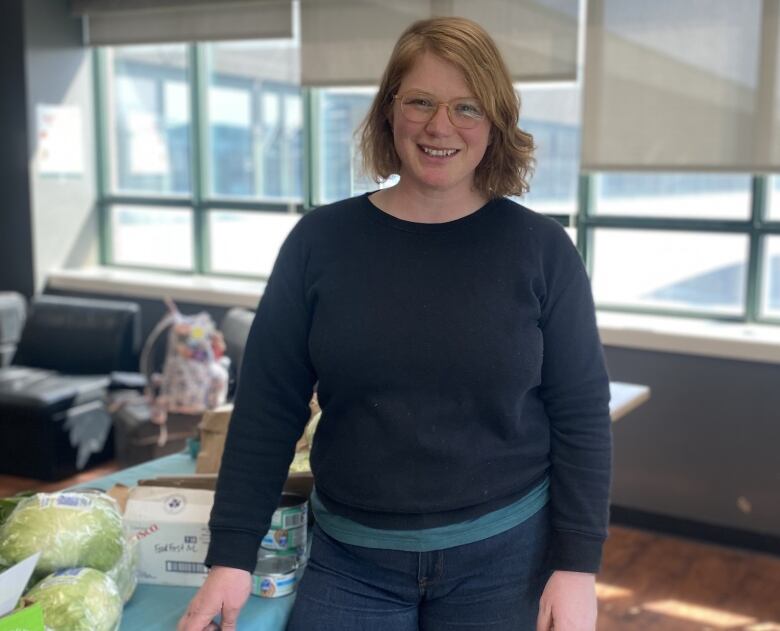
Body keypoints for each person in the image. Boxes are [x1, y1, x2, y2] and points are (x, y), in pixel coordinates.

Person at [178, 15, 611, 631]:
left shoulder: (541, 250)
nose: (441, 126)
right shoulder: (318, 242)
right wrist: (231, 555)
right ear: (389, 112)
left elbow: (582, 415)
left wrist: (577, 566)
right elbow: (268, 408)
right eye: (421, 102)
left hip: (506, 557)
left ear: (495, 123)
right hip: (352, 560)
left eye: (467, 107)